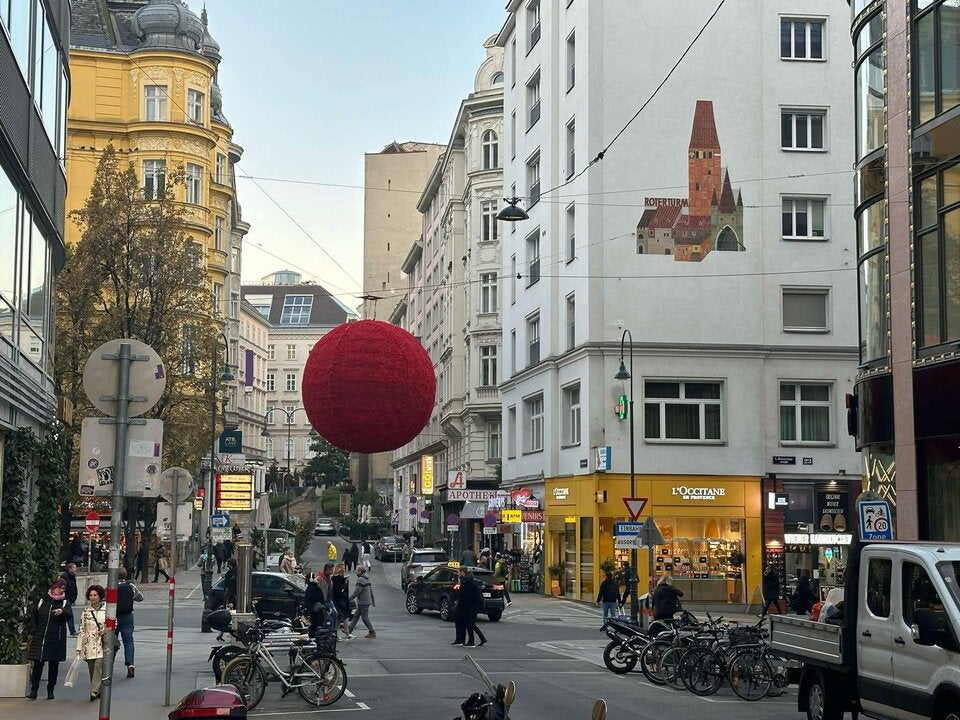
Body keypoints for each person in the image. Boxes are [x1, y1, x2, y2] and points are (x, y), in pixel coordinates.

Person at [26, 578, 69, 700]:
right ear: (53, 588)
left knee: (53, 666)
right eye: (59, 587)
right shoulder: (42, 601)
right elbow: (33, 616)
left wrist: (62, 612)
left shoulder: (65, 602)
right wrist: (34, 630)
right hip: (40, 638)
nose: (61, 590)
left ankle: (51, 690)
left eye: (63, 589)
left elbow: (69, 615)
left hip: (56, 638)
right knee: (38, 665)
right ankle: (34, 690)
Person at [77, 584, 106, 701]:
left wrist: (104, 631)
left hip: (101, 643)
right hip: (88, 644)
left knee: (99, 665)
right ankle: (98, 689)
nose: (93, 597)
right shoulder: (86, 612)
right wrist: (79, 647)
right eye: (90, 595)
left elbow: (113, 624)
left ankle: (94, 691)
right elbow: (81, 629)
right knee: (92, 668)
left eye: (95, 595)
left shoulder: (106, 609)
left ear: (100, 596)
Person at [116, 568, 143, 678]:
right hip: (127, 616)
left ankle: (109, 664)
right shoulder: (131, 586)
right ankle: (130, 664)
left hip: (114, 616)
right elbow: (140, 598)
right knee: (128, 641)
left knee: (112, 641)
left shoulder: (111, 587)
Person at [452, 567, 486, 647]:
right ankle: (462, 640)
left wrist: (459, 606)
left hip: (469, 607)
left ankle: (471, 641)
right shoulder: (467, 580)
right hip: (469, 606)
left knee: (469, 624)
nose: (458, 574)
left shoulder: (467, 582)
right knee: (466, 623)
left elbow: (465, 596)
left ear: (462, 572)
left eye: (459, 572)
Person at [348, 566, 376, 638]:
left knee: (364, 618)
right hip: (366, 601)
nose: (355, 572)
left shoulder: (360, 579)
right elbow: (371, 590)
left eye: (357, 571)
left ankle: (372, 631)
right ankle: (349, 630)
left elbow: (356, 592)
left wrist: (349, 599)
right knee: (356, 616)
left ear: (360, 572)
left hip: (363, 602)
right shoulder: (366, 579)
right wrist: (372, 600)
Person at [331, 562, 353, 639]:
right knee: (342, 616)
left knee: (343, 616)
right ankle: (340, 633)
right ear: (339, 569)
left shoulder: (342, 578)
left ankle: (345, 633)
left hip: (344, 599)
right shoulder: (336, 578)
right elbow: (339, 589)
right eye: (342, 568)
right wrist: (345, 582)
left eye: (344, 568)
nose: (344, 570)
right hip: (339, 599)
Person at [60, 563, 78, 637]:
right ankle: (72, 631)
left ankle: (70, 630)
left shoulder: (72, 576)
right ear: (70, 568)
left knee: (66, 614)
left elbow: (74, 587)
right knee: (69, 614)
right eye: (74, 568)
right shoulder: (64, 576)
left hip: (70, 597)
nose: (75, 569)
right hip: (66, 597)